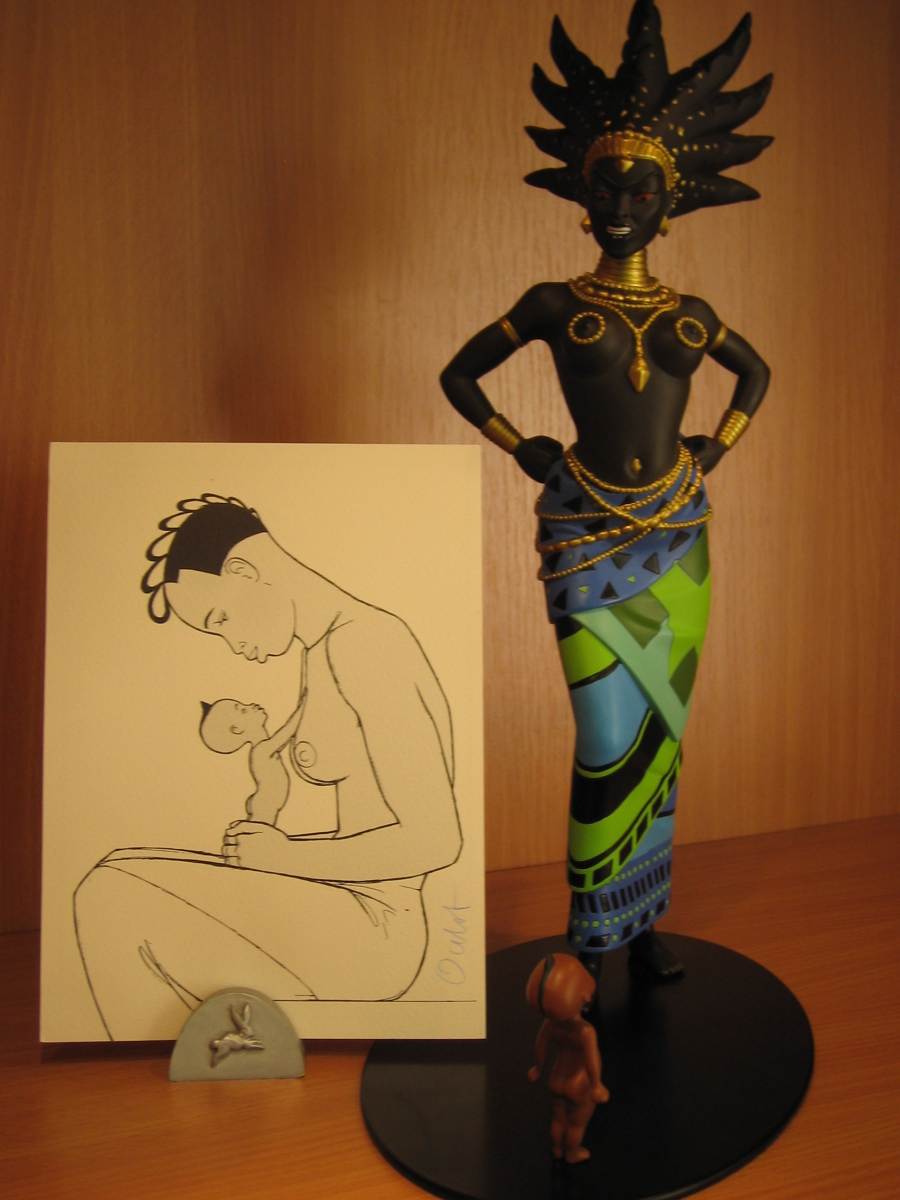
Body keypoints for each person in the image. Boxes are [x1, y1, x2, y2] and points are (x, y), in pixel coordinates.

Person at [440, 0, 772, 982]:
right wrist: (519, 446)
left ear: (673, 204)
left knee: (663, 731)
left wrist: (717, 450)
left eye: (643, 190)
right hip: (585, 528)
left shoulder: (692, 313)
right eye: (608, 187)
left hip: (680, 532)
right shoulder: (555, 304)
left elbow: (756, 376)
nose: (624, 204)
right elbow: (460, 375)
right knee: (604, 734)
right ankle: (593, 935)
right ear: (583, 198)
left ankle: (645, 925)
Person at [74, 494, 461, 1039]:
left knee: (110, 892)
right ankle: (204, 1048)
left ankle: (172, 1057)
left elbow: (437, 840)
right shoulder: (321, 650)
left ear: (243, 571)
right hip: (342, 900)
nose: (233, 643)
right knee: (123, 866)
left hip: (376, 929)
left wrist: (285, 857)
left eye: (221, 619)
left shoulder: (367, 642)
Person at [526, 953, 610, 1163]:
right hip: (578, 1084)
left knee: (558, 1118)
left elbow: (540, 1045)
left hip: (556, 1078)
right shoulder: (585, 1032)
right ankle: (572, 1152)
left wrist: (538, 1067)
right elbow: (592, 1060)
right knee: (576, 1123)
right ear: (583, 995)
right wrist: (597, 1084)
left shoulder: (550, 1024)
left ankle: (557, 1149)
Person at [198, 694, 307, 827]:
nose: (251, 705)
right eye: (244, 710)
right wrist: (304, 706)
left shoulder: (260, 748)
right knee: (262, 832)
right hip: (265, 800)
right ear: (238, 729)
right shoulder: (261, 750)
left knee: (262, 830)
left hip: (264, 800)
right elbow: (288, 732)